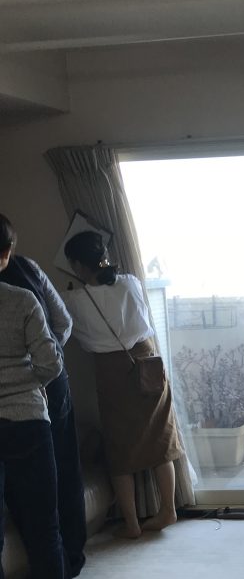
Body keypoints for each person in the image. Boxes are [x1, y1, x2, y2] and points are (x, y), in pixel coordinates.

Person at [0, 216, 90, 579]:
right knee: (44, 528)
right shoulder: (21, 298)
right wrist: (21, 383)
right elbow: (52, 364)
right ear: (6, 253)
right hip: (27, 423)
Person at [63, 229, 180, 539]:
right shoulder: (131, 283)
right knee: (160, 435)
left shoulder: (75, 300)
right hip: (146, 359)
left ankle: (131, 523)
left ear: (78, 265)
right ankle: (168, 509)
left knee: (119, 447)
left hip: (110, 369)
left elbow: (72, 333)